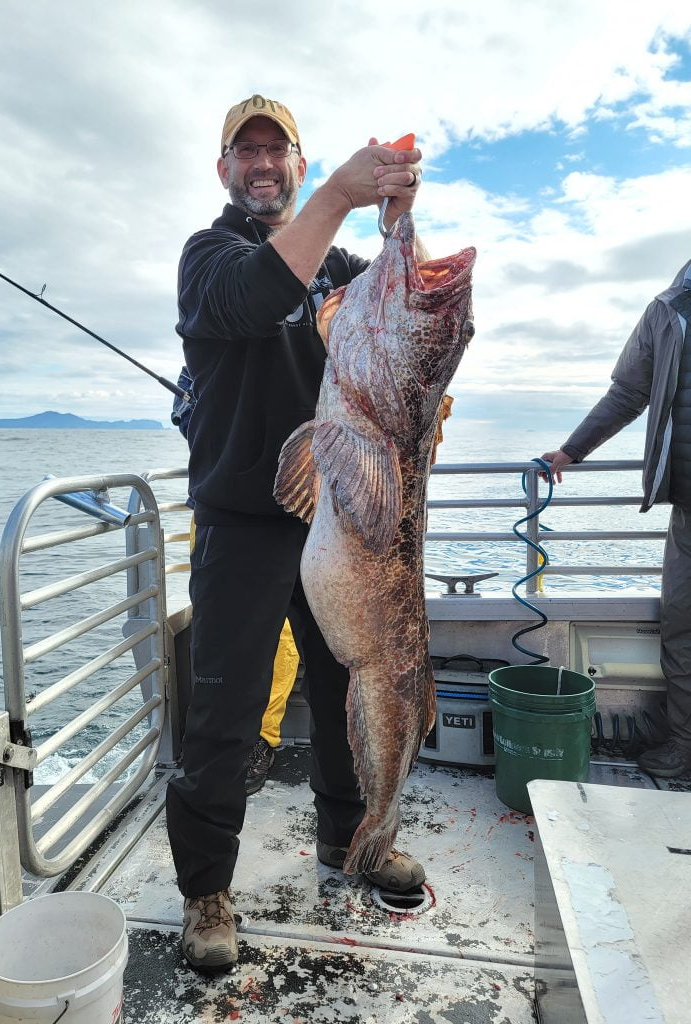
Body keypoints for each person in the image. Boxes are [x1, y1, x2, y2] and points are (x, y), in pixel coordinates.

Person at [167, 93, 426, 970]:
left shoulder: (341, 265)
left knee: (348, 685)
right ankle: (207, 891)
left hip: (338, 521)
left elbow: (407, 309)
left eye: (279, 150)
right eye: (248, 150)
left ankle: (353, 839)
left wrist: (397, 225)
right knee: (223, 717)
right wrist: (340, 199)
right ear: (226, 169)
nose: (263, 163)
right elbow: (250, 295)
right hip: (240, 527)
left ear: (300, 163)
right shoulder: (209, 256)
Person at [540, 259, 691, 780]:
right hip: (689, 512)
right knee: (682, 627)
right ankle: (684, 742)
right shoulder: (667, 311)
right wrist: (571, 450)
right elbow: (629, 392)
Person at [172, 366, 300, 796]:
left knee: (282, 633)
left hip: (299, 513)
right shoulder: (212, 343)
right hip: (220, 513)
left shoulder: (314, 333)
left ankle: (261, 740)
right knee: (217, 633)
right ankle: (217, 749)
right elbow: (185, 416)